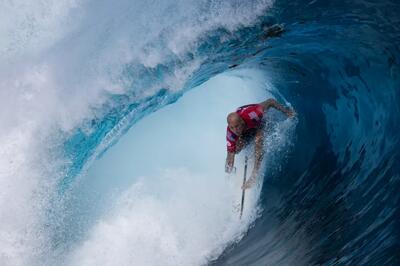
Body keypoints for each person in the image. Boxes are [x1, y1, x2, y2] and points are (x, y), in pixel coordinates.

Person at [225, 99, 295, 189]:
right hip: (247, 130)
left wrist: (287, 112)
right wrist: (228, 174)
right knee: (235, 150)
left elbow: (270, 102)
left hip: (259, 125)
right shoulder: (230, 133)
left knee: (258, 139)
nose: (235, 130)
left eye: (237, 126)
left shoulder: (253, 114)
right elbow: (230, 155)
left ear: (242, 122)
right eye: (232, 127)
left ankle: (254, 174)